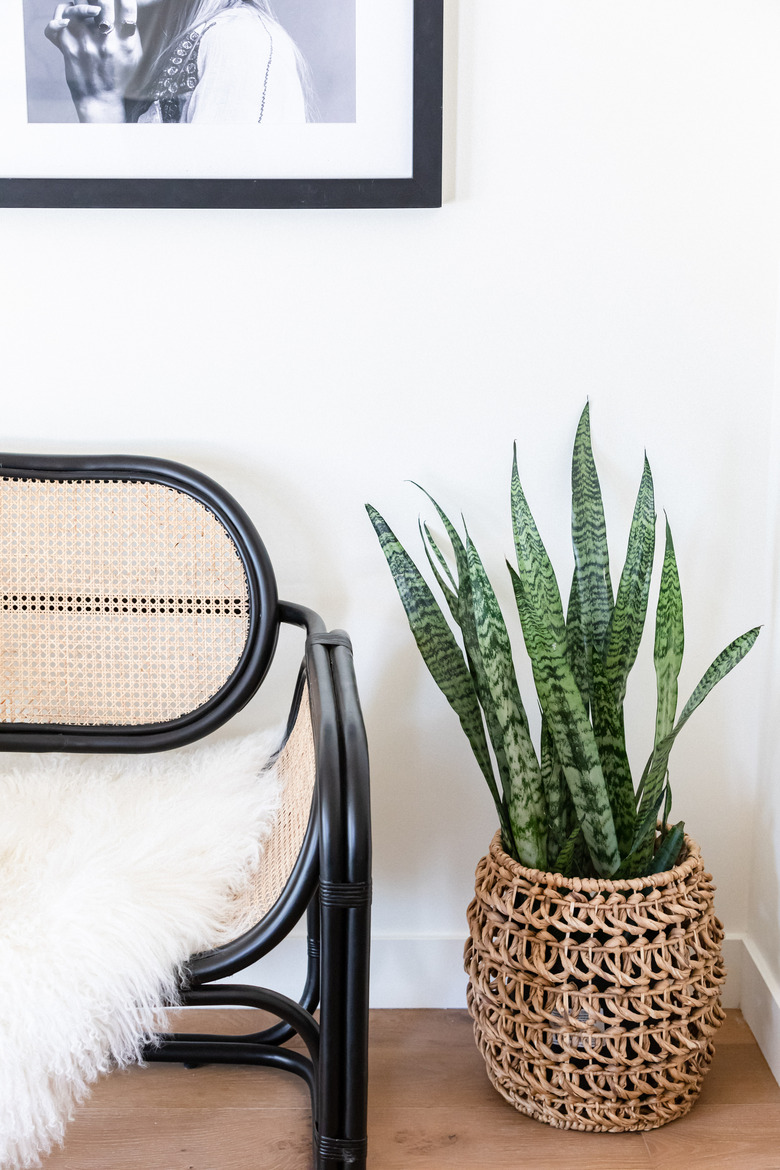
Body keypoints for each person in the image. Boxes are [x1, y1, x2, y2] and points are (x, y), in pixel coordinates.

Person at [44, 0, 309, 124]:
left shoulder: (238, 39)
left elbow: (214, 228)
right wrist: (97, 96)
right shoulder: (143, 54)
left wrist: (100, 103)